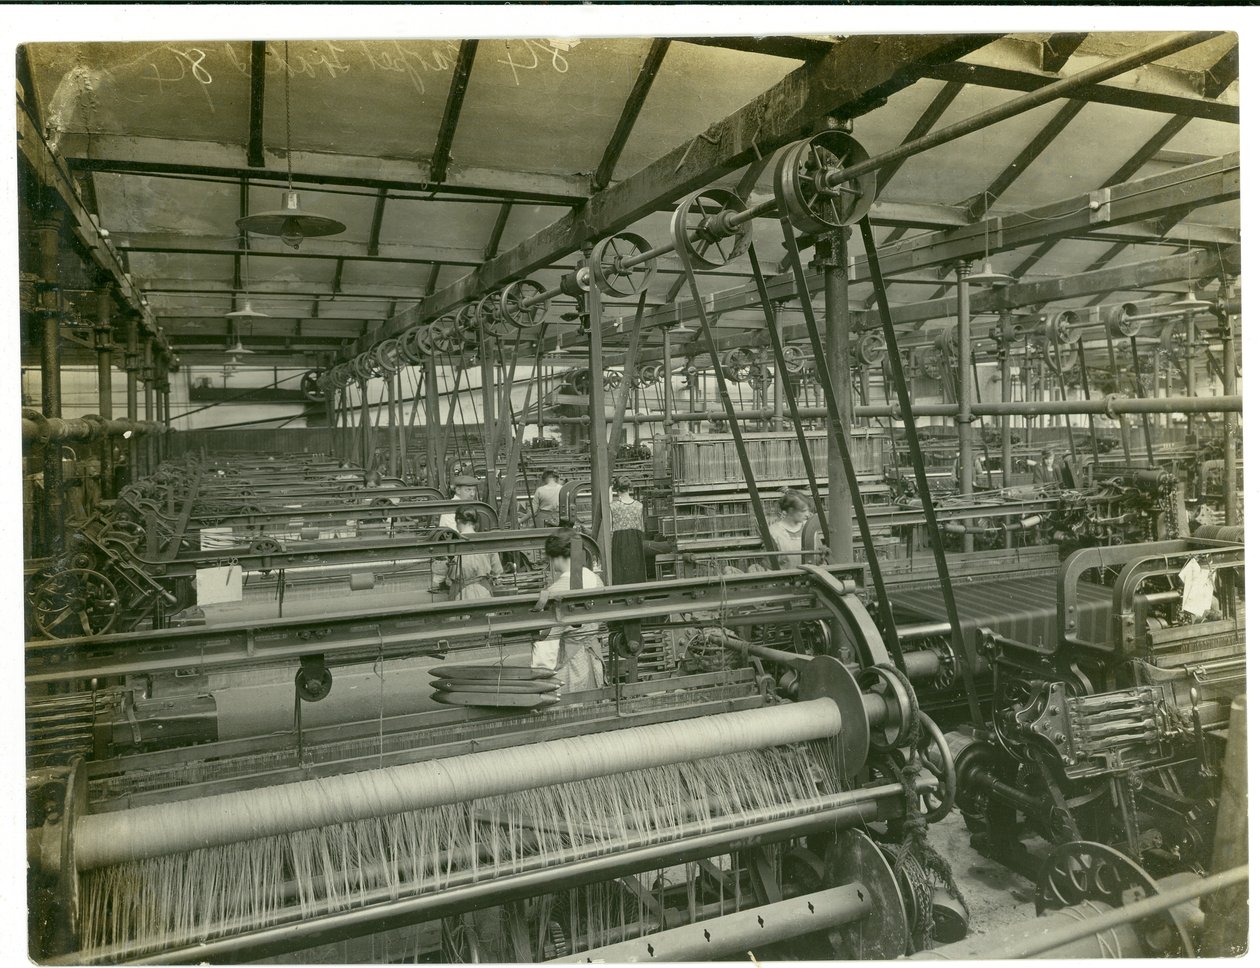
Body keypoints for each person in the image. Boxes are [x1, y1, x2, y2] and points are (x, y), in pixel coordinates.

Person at [535, 529, 605, 695]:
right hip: (593, 660)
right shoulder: (596, 579)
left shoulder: (555, 592)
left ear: (556, 557)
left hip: (570, 670)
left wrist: (538, 679)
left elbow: (547, 645)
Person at [431, 475, 481, 592]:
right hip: (453, 553)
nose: (472, 493)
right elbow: (460, 535)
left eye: (473, 490)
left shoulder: (467, 506)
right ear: (458, 490)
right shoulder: (451, 508)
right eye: (468, 490)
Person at [445, 506, 503, 600]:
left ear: (458, 521)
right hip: (483, 591)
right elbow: (496, 571)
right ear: (475, 522)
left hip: (459, 592)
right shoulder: (486, 542)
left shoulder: (451, 544)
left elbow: (440, 573)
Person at [768, 491, 810, 567]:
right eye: (803, 511)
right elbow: (769, 565)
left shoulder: (809, 528)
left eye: (808, 510)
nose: (807, 514)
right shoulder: (774, 532)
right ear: (790, 510)